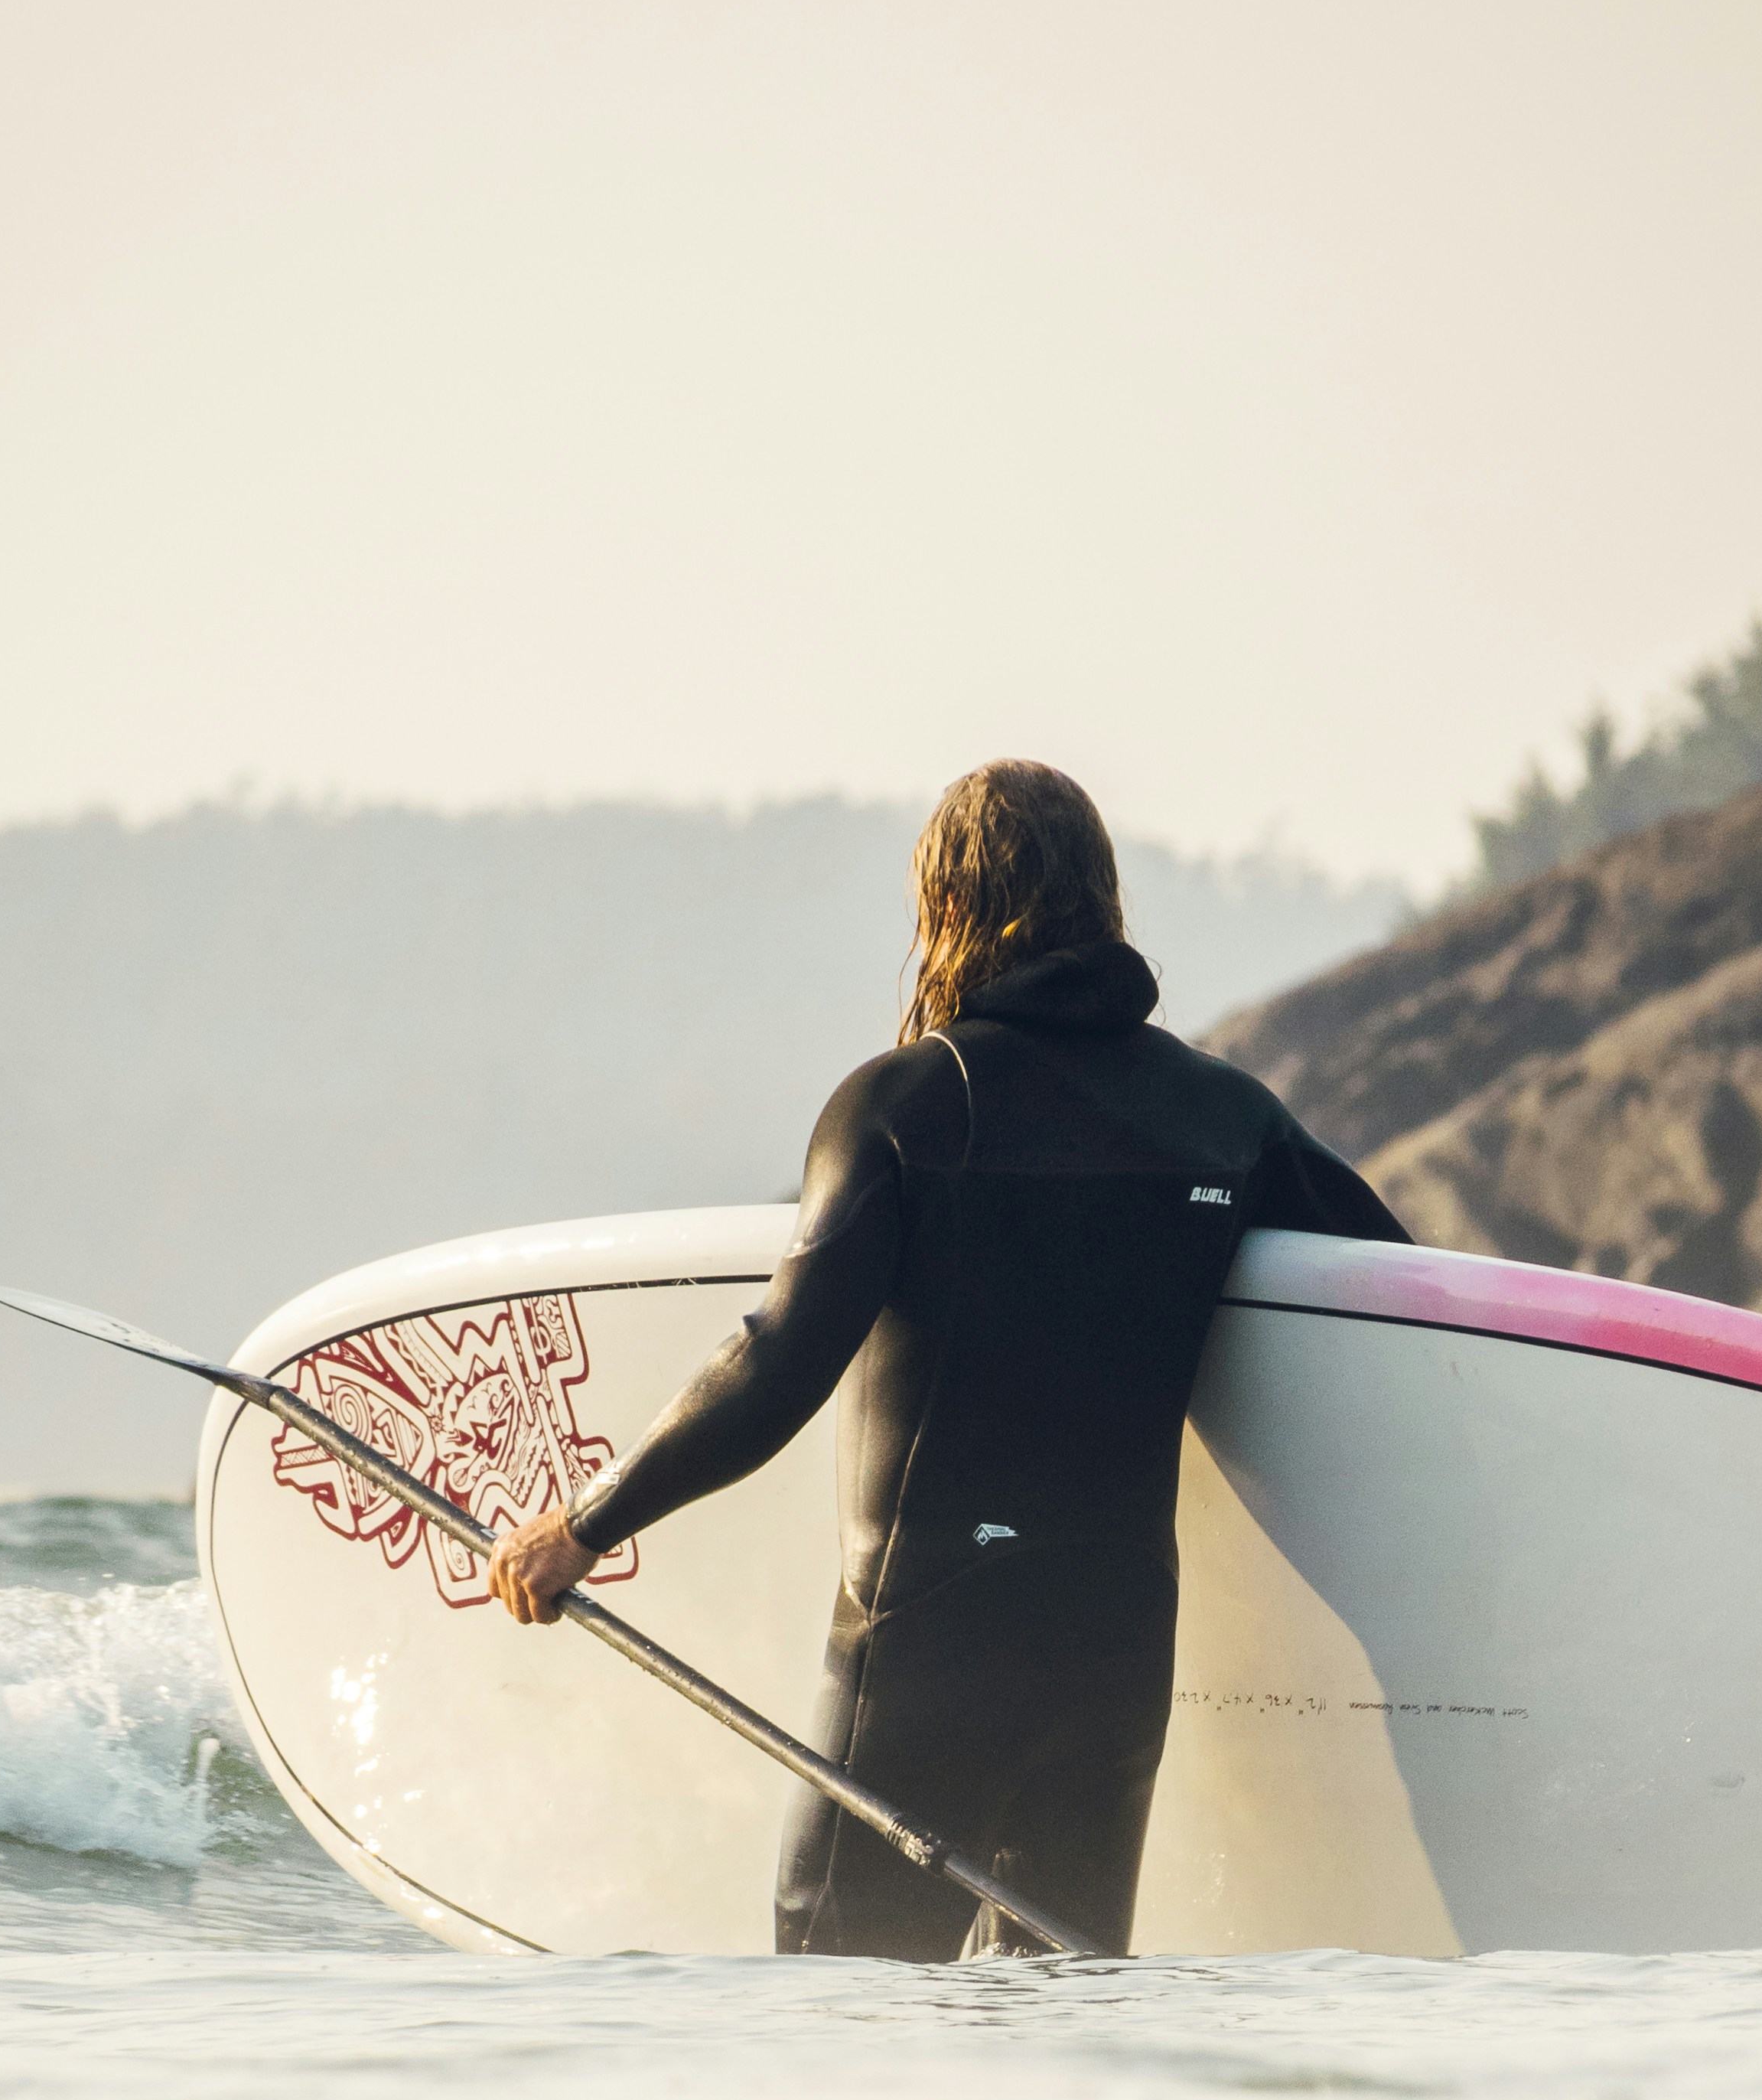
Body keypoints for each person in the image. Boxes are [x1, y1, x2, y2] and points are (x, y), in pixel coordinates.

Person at [487, 762, 1409, 1956]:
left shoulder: (907, 1106)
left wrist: (584, 1525)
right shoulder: (1226, 1117)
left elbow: (779, 1361)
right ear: (1103, 902)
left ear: (951, 909)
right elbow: (1404, 1304)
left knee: (842, 2006)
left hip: (930, 1638)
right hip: (1117, 1649)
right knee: (1060, 2029)